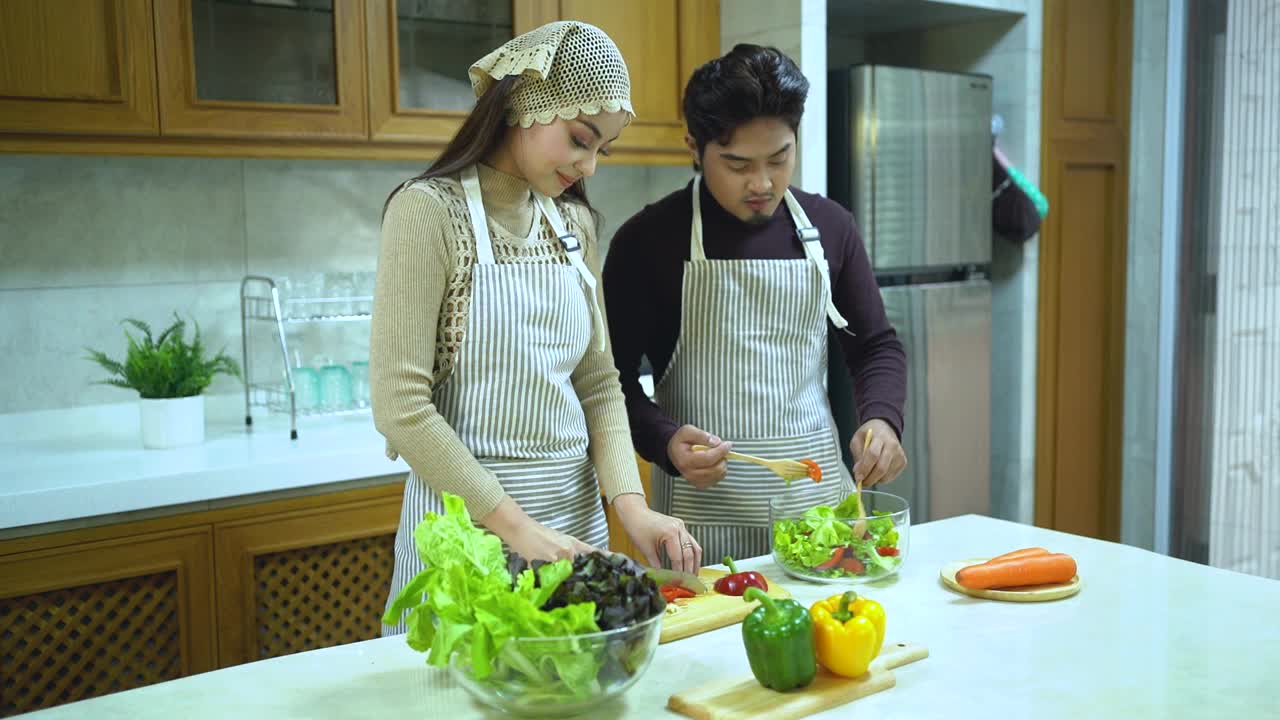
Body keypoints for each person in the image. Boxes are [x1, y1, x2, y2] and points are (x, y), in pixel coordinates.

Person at [372, 21, 701, 635]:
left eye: (603, 148)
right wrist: (521, 533)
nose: (592, 165)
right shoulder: (427, 212)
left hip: (576, 534)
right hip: (469, 540)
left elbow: (600, 384)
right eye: (581, 139)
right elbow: (401, 409)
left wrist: (634, 511)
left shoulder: (575, 225)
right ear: (526, 102)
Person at [602, 44, 909, 562]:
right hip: (700, 527)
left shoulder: (831, 229)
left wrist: (882, 419)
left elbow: (876, 346)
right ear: (694, 148)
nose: (762, 184)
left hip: (819, 517)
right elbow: (609, 383)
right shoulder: (647, 241)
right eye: (738, 164)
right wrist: (663, 441)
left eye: (779, 158)